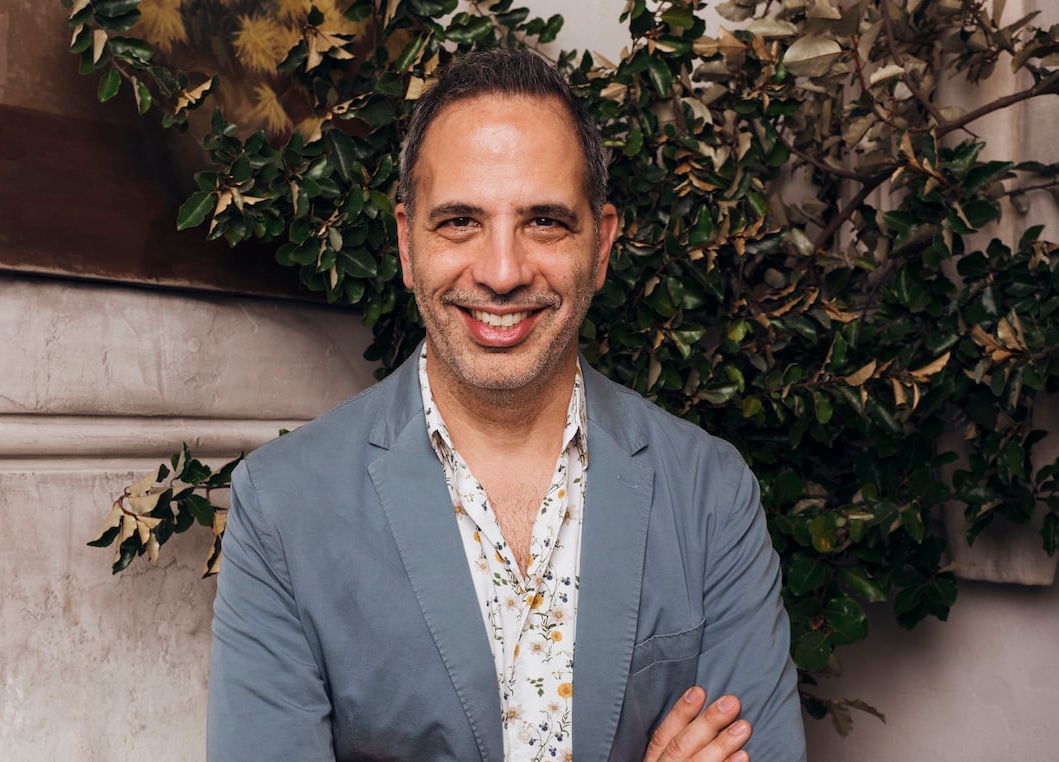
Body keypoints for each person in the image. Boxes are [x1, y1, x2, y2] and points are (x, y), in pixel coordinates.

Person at [208, 48, 807, 762]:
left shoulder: (710, 493)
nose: (500, 272)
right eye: (460, 220)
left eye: (545, 222)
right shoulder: (280, 506)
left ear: (603, 246)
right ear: (406, 243)